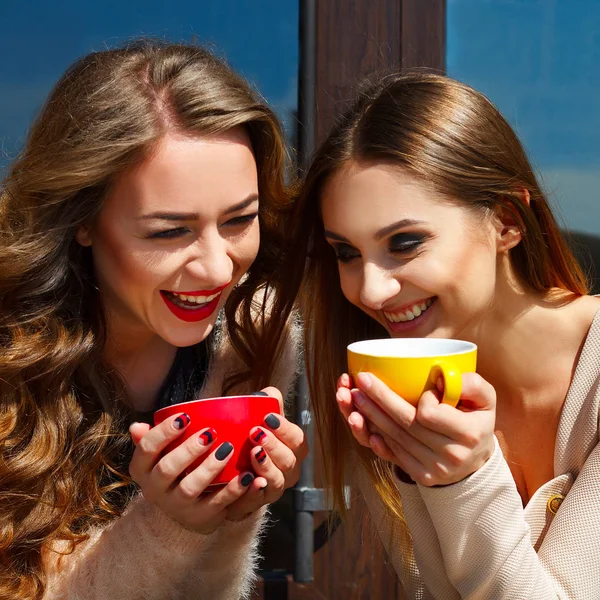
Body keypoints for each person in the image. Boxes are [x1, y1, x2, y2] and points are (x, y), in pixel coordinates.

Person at [0, 40, 306, 600]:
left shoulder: (252, 337)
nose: (218, 267)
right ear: (81, 220)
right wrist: (163, 526)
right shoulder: (11, 353)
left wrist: (231, 512)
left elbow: (212, 591)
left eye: (240, 220)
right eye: (169, 231)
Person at [291, 72, 600, 599]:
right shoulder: (393, 386)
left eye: (405, 243)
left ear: (506, 221)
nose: (370, 289)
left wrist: (463, 482)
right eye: (346, 253)